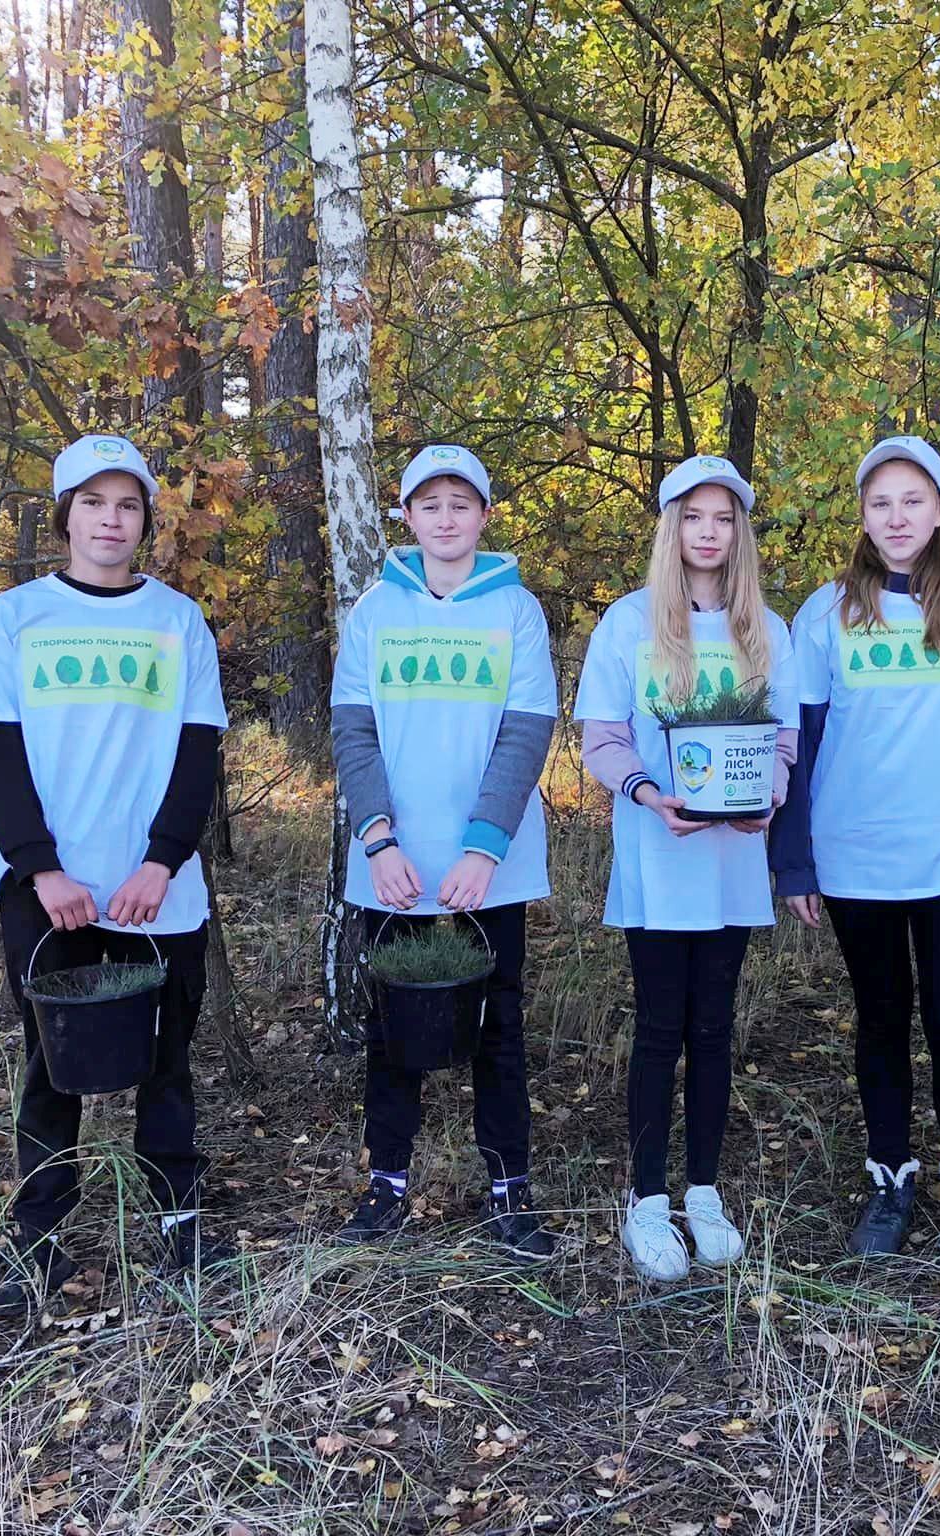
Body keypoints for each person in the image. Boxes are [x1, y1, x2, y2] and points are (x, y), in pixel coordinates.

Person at [0, 433, 233, 1314]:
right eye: (93, 503)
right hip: (51, 891)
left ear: (146, 520)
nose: (110, 520)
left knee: (167, 1064)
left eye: (127, 505)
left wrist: (161, 863)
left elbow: (198, 753)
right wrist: (42, 872)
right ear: (65, 516)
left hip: (157, 890)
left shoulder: (179, 621)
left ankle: (179, 1229)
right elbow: (0, 755)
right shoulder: (14, 619)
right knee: (51, 1068)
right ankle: (37, 1244)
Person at [768, 435, 940, 1270]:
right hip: (856, 862)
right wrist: (795, 858)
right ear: (862, 514)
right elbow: (798, 742)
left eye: (913, 500)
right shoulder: (826, 613)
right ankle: (890, 1180)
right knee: (880, 1020)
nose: (897, 516)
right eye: (880, 502)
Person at [329, 444, 559, 1262]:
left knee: (499, 1027)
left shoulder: (517, 611)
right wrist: (379, 839)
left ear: (485, 515)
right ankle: (386, 1183)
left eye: (462, 503)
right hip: (392, 863)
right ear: (407, 516)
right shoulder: (374, 612)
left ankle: (509, 1191)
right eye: (430, 504)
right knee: (390, 1030)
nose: (447, 518)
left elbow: (525, 733)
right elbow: (353, 731)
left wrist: (483, 848)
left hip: (488, 866)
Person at [573, 454, 797, 1282]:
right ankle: (647, 1199)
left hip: (732, 860)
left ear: (740, 531)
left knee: (714, 1029)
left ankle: (703, 1190)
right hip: (659, 857)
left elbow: (783, 740)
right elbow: (603, 737)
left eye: (724, 518)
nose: (709, 532)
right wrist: (644, 792)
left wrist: (767, 797)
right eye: (694, 517)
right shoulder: (629, 624)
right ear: (672, 528)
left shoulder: (765, 629)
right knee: (659, 1029)